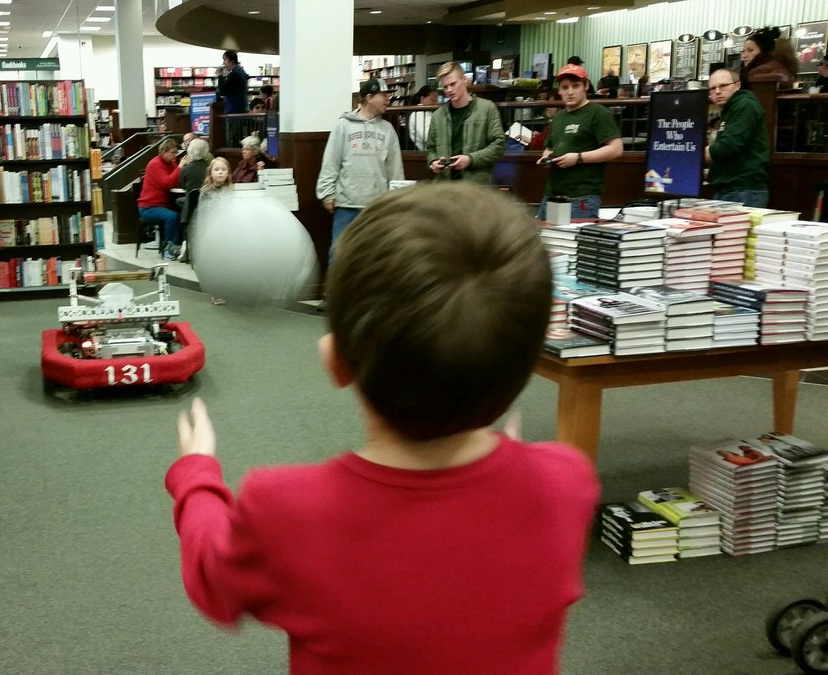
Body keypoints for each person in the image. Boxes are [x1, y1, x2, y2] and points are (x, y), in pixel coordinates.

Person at [165, 182, 599, 673]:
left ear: (336, 362)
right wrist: (516, 465)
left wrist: (196, 474)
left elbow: (213, 581)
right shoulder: (566, 480)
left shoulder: (286, 509)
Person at [315, 77, 404, 260]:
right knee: (339, 256)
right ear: (369, 97)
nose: (388, 99)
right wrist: (326, 193)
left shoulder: (388, 130)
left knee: (375, 258)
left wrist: (397, 198)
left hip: (377, 207)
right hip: (346, 204)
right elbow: (331, 161)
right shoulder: (343, 126)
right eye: (384, 95)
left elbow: (395, 169)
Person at [537, 63, 624, 221]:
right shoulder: (558, 117)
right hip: (551, 196)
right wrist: (547, 158)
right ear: (559, 90)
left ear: (585, 86)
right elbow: (549, 148)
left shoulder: (598, 113)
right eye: (565, 87)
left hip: (582, 199)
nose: (570, 92)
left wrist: (578, 158)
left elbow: (616, 149)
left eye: (575, 86)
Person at [424, 61, 505, 184]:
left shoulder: (487, 108)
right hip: (445, 186)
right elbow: (431, 149)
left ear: (464, 80)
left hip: (476, 187)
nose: (449, 90)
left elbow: (499, 146)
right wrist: (433, 161)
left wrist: (471, 159)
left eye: (453, 84)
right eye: (445, 87)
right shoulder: (438, 116)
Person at [705, 68, 770, 207]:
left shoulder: (745, 105)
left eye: (723, 86)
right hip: (731, 189)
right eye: (712, 88)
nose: (717, 91)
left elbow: (727, 147)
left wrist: (696, 154)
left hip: (744, 191)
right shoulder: (731, 109)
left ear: (737, 85)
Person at [138, 138, 189, 261]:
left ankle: (176, 246)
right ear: (163, 151)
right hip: (148, 206)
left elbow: (176, 181)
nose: (175, 156)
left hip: (162, 204)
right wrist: (180, 167)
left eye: (176, 152)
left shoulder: (171, 164)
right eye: (172, 152)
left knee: (181, 215)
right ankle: (167, 248)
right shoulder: (154, 164)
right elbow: (167, 182)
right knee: (172, 217)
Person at [195, 157, 234, 305]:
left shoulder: (231, 190)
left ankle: (226, 289)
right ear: (210, 173)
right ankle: (216, 292)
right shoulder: (205, 192)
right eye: (216, 170)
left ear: (228, 173)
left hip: (228, 232)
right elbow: (202, 213)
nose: (220, 173)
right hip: (211, 232)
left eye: (223, 170)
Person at [177, 137, 210, 227]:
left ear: (190, 152)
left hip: (190, 206)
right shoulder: (210, 169)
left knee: (178, 201)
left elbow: (183, 186)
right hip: (207, 207)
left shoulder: (185, 170)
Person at [406, 84, 438, 151]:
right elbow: (427, 136)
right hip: (425, 153)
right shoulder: (419, 113)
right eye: (432, 99)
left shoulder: (427, 112)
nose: (435, 103)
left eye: (436, 100)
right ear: (422, 99)